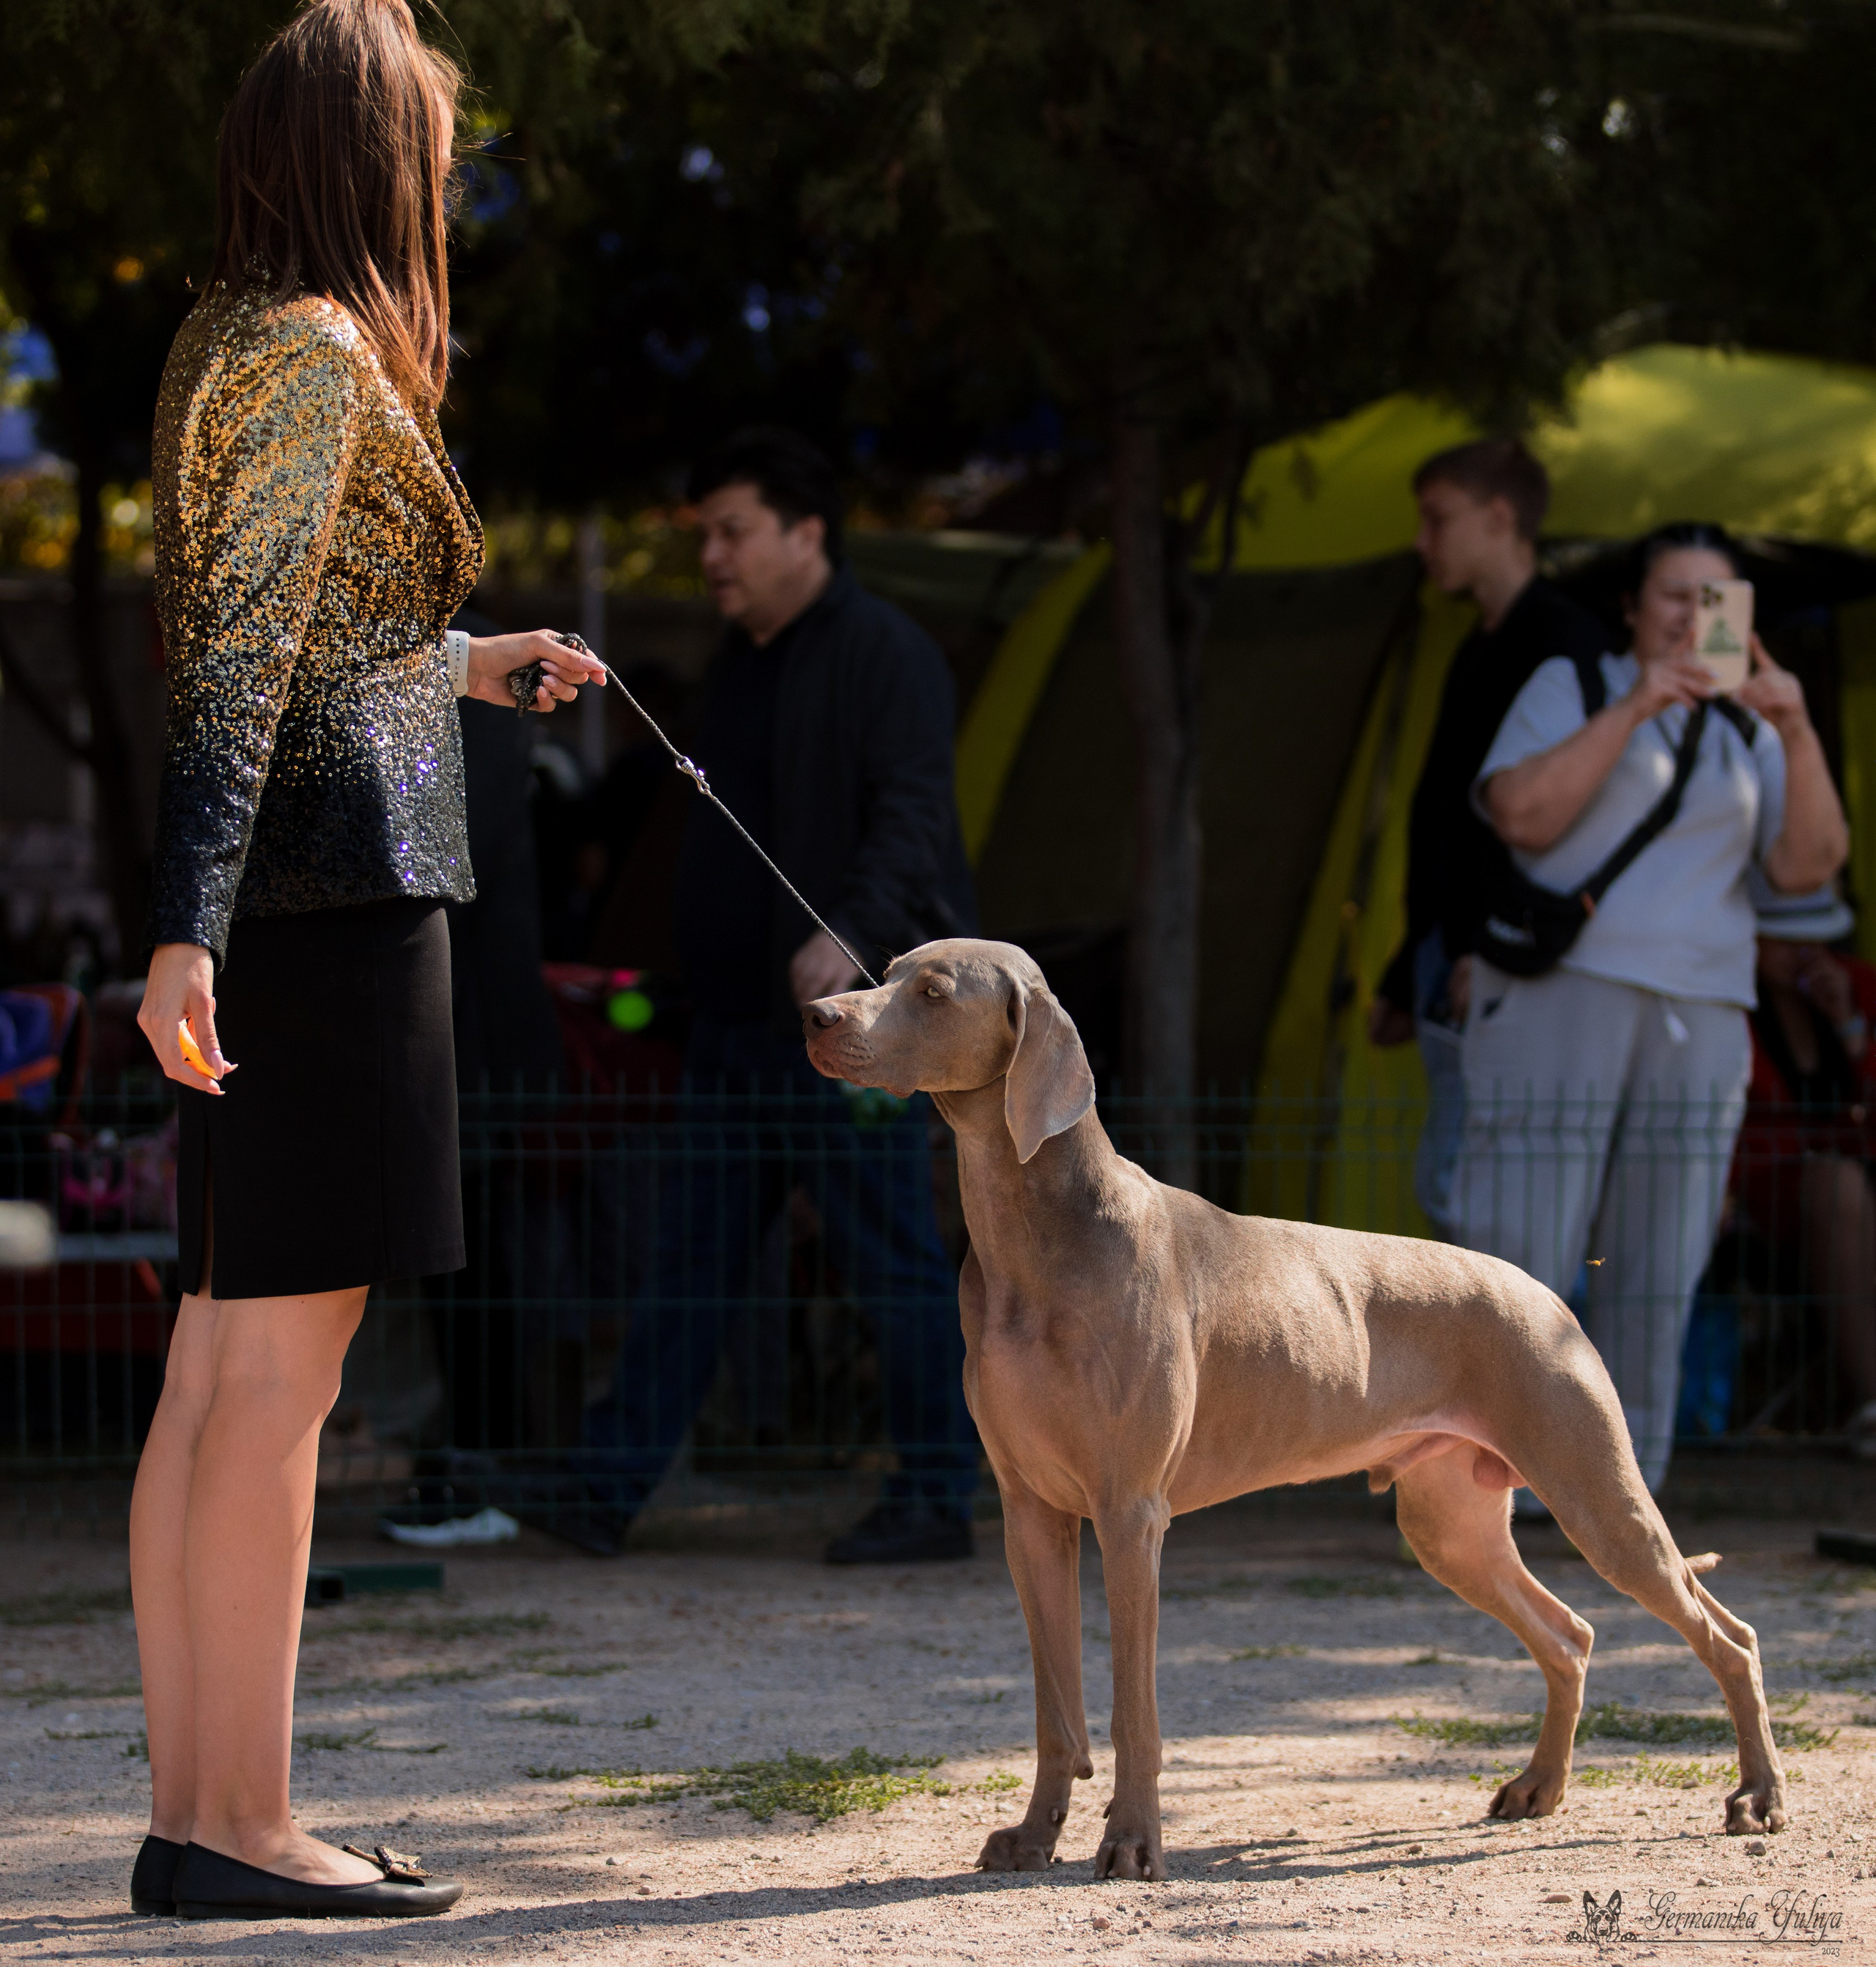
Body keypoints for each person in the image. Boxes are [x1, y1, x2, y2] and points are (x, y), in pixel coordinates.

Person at [129, 0, 602, 1922]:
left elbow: (300, 643)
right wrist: (184, 925)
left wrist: (461, 665)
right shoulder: (322, 353)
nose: (445, 180)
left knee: (211, 1374)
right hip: (328, 920)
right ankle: (245, 1823)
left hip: (281, 912)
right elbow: (236, 665)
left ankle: (195, 1816)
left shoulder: (226, 339)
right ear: (370, 157)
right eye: (431, 146)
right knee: (278, 1383)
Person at [580, 427, 981, 1565]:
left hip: (857, 1033)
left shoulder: (885, 653)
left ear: (808, 533)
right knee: (691, 1263)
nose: (712, 554)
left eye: (733, 529)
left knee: (890, 1256)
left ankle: (935, 1496)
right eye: (705, 531)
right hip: (736, 1030)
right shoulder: (741, 660)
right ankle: (603, 1487)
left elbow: (915, 820)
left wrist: (850, 938)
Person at [1452, 523, 1848, 1493]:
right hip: (1564, 989)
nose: (1690, 619)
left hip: (1703, 1002)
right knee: (1526, 1240)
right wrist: (1636, 706)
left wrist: (1796, 729)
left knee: (1661, 1252)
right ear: (1632, 607)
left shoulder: (1752, 729)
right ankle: (1490, 1476)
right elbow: (1521, 815)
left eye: (1715, 602)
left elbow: (1807, 867)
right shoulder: (1573, 685)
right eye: (1673, 596)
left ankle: (1623, 1488)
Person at [1370, 439, 1606, 1234]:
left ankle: (1500, 1359)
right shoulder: (1475, 648)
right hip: (1454, 952)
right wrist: (1411, 970)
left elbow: (1554, 820)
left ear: (1500, 517)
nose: (1420, 540)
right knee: (1453, 1183)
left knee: (1486, 1196)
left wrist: (1491, 945)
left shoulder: (1565, 644)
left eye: (1438, 519)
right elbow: (1444, 819)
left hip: (1510, 954)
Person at [1732, 878, 1876, 1457]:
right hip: (1777, 1195)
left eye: (1815, 937)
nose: (1805, 953)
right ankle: (1872, 1399)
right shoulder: (1733, 1010)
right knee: (1836, 1187)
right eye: (1787, 939)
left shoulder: (1858, 988)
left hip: (1861, 1177)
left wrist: (1850, 1032)